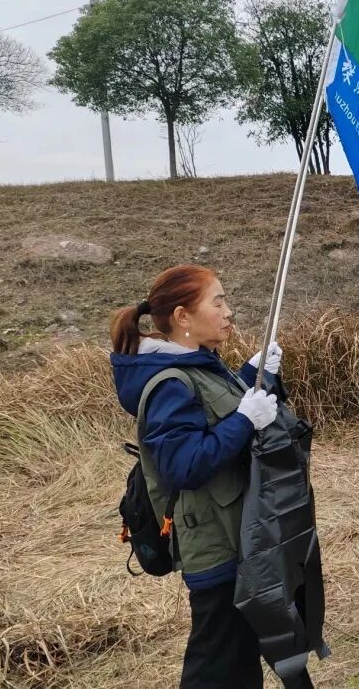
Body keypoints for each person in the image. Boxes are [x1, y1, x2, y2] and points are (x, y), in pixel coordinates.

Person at [111, 264, 285, 688]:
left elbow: (210, 416)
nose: (229, 312)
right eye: (218, 302)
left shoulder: (202, 365)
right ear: (183, 317)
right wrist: (245, 420)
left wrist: (252, 375)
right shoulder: (171, 382)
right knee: (218, 667)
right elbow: (183, 465)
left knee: (243, 660)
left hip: (238, 536)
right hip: (216, 548)